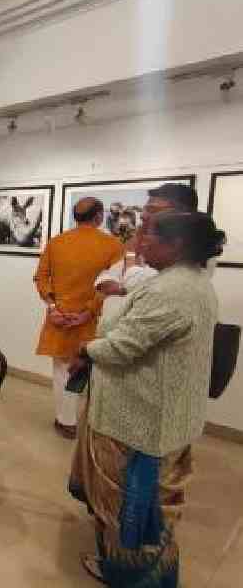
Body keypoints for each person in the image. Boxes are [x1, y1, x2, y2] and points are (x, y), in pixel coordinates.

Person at [68, 212, 224, 587]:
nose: (138, 241)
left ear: (177, 245)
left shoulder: (170, 291)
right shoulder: (187, 282)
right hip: (159, 415)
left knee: (132, 508)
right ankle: (129, 569)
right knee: (150, 506)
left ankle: (133, 575)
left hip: (141, 422)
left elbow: (122, 346)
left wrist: (87, 348)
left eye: (147, 234)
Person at [34, 198, 124, 439]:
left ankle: (67, 422)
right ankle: (91, 423)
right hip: (89, 321)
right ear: (98, 217)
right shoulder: (113, 245)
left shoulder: (56, 242)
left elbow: (41, 278)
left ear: (76, 217)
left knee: (63, 370)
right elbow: (107, 286)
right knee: (92, 371)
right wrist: (87, 312)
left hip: (59, 318)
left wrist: (53, 306)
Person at [96, 183, 204, 301]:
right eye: (145, 209)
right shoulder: (139, 237)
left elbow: (140, 285)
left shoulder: (191, 250)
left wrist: (131, 256)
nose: (143, 215)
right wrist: (113, 285)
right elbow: (106, 276)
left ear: (180, 214)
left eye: (153, 209)